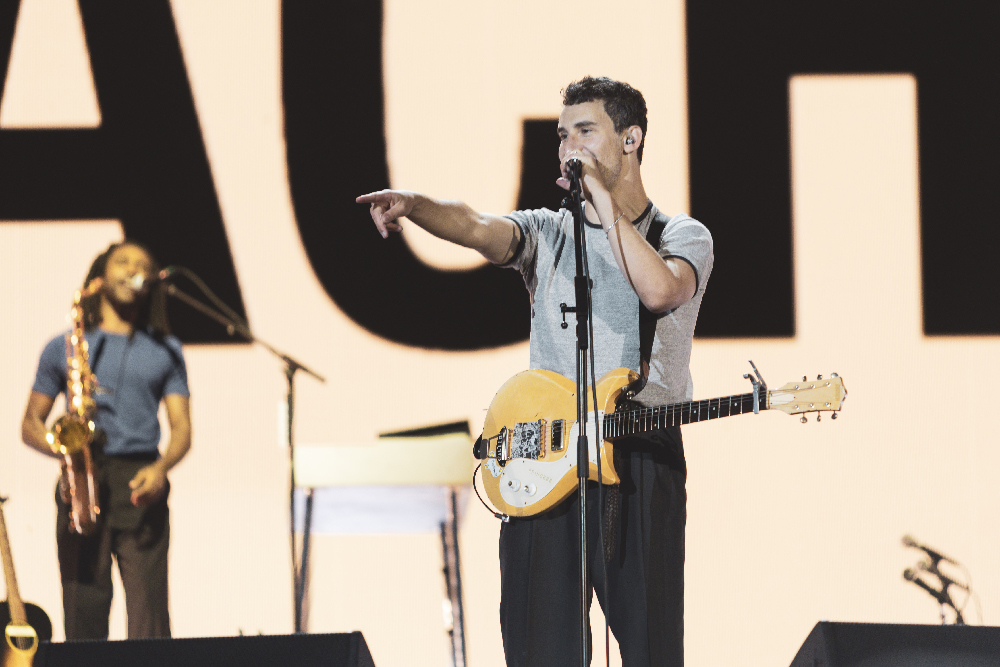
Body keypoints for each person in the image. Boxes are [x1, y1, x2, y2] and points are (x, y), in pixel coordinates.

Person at [357, 76, 713, 667]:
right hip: (545, 456)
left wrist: (601, 199)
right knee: (538, 647)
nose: (569, 146)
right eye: (562, 134)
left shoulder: (681, 234)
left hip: (638, 455)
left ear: (631, 139)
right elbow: (475, 226)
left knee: (651, 647)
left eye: (586, 131)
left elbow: (660, 291)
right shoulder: (549, 231)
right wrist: (417, 206)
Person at [21, 241, 192, 640]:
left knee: (149, 622)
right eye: (123, 262)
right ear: (100, 276)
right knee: (83, 614)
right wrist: (66, 451)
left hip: (140, 479)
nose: (133, 269)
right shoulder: (62, 346)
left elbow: (182, 428)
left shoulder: (166, 349)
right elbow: (29, 423)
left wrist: (161, 469)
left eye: (142, 265)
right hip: (83, 480)